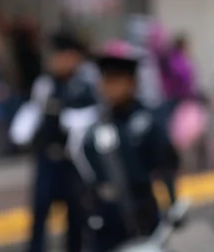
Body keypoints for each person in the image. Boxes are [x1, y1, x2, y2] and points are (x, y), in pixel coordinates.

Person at [64, 40, 180, 252]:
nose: (109, 87)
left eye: (116, 80)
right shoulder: (94, 125)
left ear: (132, 82)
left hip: (141, 213)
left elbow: (165, 166)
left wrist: (173, 203)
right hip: (105, 220)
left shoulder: (147, 122)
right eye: (105, 80)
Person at [9, 32, 97, 252]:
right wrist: (22, 130)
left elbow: (94, 115)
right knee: (40, 210)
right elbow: (34, 110)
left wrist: (75, 120)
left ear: (74, 57)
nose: (56, 61)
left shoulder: (84, 85)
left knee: (76, 214)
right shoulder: (45, 84)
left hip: (73, 161)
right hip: (47, 158)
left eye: (61, 55)